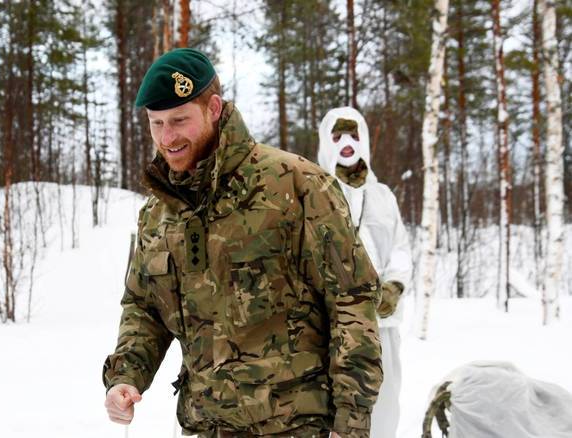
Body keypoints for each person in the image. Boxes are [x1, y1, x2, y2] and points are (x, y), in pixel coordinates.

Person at [103, 48, 383, 438]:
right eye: (157, 123)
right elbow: (144, 306)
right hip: (206, 425)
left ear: (214, 108)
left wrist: (351, 423)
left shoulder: (295, 185)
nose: (167, 138)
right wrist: (126, 375)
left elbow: (351, 301)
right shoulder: (158, 212)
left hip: (297, 426)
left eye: (179, 120)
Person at [317, 107, 413, 438]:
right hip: (333, 325)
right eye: (338, 135)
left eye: (354, 134)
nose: (347, 142)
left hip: (382, 323)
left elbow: (400, 246)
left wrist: (395, 287)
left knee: (384, 406)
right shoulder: (314, 194)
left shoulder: (383, 196)